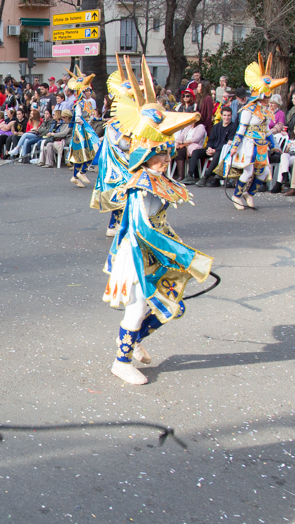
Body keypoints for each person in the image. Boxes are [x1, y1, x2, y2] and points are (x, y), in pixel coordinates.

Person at [102, 55, 211, 386]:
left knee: (171, 307)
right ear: (146, 155)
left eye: (167, 153)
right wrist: (183, 254)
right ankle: (120, 361)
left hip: (155, 250)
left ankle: (132, 344)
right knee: (136, 310)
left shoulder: (160, 179)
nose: (166, 159)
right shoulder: (140, 184)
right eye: (159, 154)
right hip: (138, 254)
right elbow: (140, 228)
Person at [214, 53, 286, 209]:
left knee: (264, 173)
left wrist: (273, 146)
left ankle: (250, 194)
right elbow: (241, 129)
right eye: (266, 96)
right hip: (248, 144)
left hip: (261, 145)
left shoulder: (266, 111)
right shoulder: (248, 110)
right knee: (248, 172)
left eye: (269, 96)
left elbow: (267, 131)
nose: (268, 99)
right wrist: (234, 146)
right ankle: (237, 196)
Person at [91, 61, 138, 237]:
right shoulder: (119, 123)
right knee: (125, 192)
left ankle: (116, 224)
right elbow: (123, 144)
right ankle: (119, 224)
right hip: (121, 163)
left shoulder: (123, 121)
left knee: (124, 193)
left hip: (119, 163)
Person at [65, 68, 100, 188]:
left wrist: (97, 119)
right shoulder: (79, 104)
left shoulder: (89, 103)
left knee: (90, 151)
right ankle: (81, 172)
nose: (89, 92)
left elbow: (91, 117)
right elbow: (79, 117)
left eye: (89, 90)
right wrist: (81, 121)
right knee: (83, 153)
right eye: (87, 91)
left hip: (86, 129)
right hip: (81, 131)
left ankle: (76, 176)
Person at [196, 107, 236, 186]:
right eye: (224, 115)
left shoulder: (233, 127)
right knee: (196, 152)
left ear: (231, 116)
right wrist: (209, 148)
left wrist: (215, 150)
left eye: (228, 115)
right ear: (221, 116)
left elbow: (228, 143)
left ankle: (205, 177)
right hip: (213, 148)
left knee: (217, 153)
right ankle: (190, 175)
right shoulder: (216, 126)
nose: (226, 117)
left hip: (223, 150)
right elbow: (211, 139)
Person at [272, 122, 295, 192]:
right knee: (283, 156)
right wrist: (288, 147)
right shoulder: (292, 138)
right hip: (290, 154)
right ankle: (285, 175)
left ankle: (279, 183)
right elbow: (285, 152)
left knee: (282, 164)